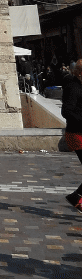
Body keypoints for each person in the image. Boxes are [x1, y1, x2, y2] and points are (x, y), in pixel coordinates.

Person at [62, 60, 82, 212]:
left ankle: (76, 197)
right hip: (76, 134)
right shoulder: (73, 87)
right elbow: (66, 111)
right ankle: (76, 196)